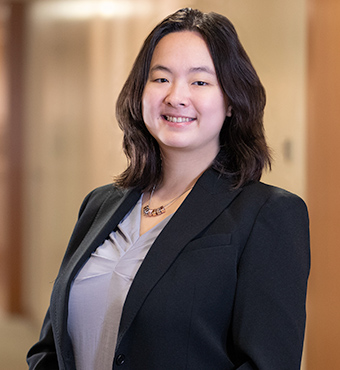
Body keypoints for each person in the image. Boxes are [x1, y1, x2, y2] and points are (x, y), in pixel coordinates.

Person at [27, 7, 310, 370]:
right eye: (160, 79)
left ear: (230, 101)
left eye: (200, 82)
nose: (176, 96)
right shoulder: (99, 205)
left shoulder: (268, 214)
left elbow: (267, 363)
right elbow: (51, 346)